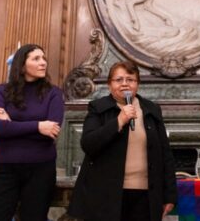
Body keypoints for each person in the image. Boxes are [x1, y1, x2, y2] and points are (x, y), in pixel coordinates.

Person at [68, 61, 176, 221]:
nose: (125, 84)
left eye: (130, 79)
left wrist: (169, 195)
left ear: (137, 84)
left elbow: (165, 154)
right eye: (119, 80)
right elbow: (88, 144)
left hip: (145, 194)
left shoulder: (151, 109)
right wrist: (119, 121)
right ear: (109, 85)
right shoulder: (98, 108)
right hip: (107, 196)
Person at [0, 44, 65, 221]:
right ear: (21, 65)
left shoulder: (54, 93)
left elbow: (52, 130)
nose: (43, 63)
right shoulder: (2, 91)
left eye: (44, 58)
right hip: (5, 168)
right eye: (36, 59)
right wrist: (38, 126)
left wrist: (13, 124)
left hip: (41, 169)